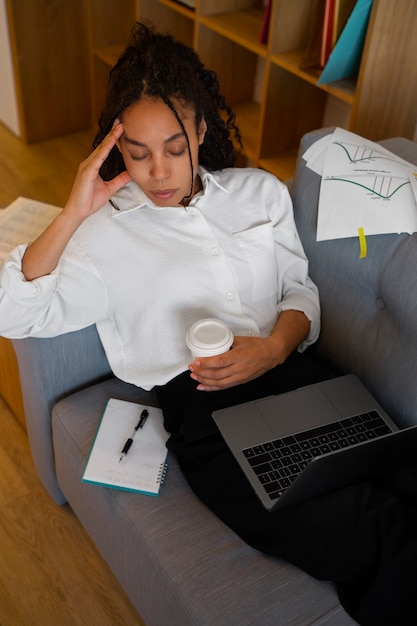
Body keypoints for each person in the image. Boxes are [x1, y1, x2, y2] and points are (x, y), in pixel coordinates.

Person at [0, 22, 416, 625]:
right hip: (207, 415)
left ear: (200, 129)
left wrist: (275, 346)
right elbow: (15, 312)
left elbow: (300, 289)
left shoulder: (260, 193)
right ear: (116, 149)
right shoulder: (101, 236)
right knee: (375, 535)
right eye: (138, 153)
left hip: (301, 376)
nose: (159, 172)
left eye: (174, 146)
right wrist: (72, 213)